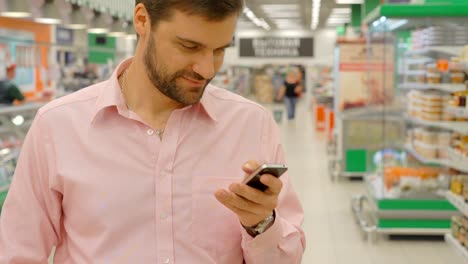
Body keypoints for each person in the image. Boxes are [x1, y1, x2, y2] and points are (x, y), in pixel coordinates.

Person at [0, 1, 305, 263]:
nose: (207, 69)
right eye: (189, 47)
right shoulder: (58, 126)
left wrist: (261, 224)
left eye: (219, 50)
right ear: (143, 20)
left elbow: (288, 258)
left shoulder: (251, 125)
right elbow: (18, 252)